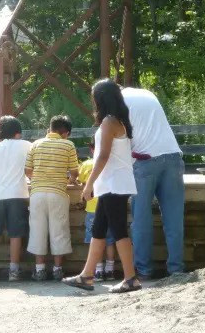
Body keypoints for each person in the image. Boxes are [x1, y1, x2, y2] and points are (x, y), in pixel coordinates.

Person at [63, 79, 140, 293]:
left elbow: (103, 156)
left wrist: (89, 185)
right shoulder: (117, 121)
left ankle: (131, 278)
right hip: (112, 184)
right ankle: (87, 276)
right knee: (98, 229)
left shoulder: (109, 122)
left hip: (114, 184)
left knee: (118, 231)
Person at [122, 86, 185, 279]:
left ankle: (144, 269)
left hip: (144, 160)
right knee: (174, 218)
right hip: (173, 156)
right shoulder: (147, 93)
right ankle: (176, 268)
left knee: (141, 218)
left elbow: (120, 139)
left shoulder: (117, 101)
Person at [25, 114, 79, 281]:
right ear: (66, 133)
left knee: (37, 230)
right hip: (58, 193)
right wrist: (69, 180)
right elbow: (75, 172)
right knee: (59, 230)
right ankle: (57, 269)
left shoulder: (35, 144)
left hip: (37, 194)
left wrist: (40, 179)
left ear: (49, 129)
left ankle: (39, 270)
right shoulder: (68, 145)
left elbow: (27, 171)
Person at [0, 115, 32, 282]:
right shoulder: (27, 146)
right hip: (18, 194)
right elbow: (30, 169)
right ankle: (14, 271)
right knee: (16, 234)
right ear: (18, 132)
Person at [78, 150, 117, 281]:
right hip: (110, 206)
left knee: (95, 238)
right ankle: (110, 270)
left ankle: (98, 270)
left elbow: (80, 180)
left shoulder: (87, 164)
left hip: (92, 209)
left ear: (91, 149)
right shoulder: (111, 163)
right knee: (110, 240)